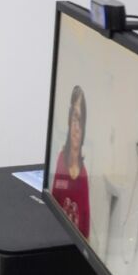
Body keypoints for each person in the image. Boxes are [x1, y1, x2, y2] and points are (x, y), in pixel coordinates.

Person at [51, 84, 91, 238]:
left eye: (80, 121)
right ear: (69, 120)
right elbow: (52, 206)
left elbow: (85, 226)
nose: (76, 127)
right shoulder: (61, 161)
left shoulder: (84, 176)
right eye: (74, 118)